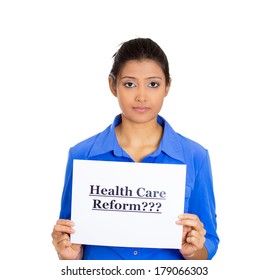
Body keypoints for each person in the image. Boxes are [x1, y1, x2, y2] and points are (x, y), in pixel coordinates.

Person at [51, 38, 219, 260]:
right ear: (113, 85)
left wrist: (195, 250)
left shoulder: (195, 157)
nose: (141, 96)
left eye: (153, 84)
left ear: (167, 86)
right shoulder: (82, 155)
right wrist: (70, 255)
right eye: (130, 84)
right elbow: (71, 237)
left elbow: (210, 243)